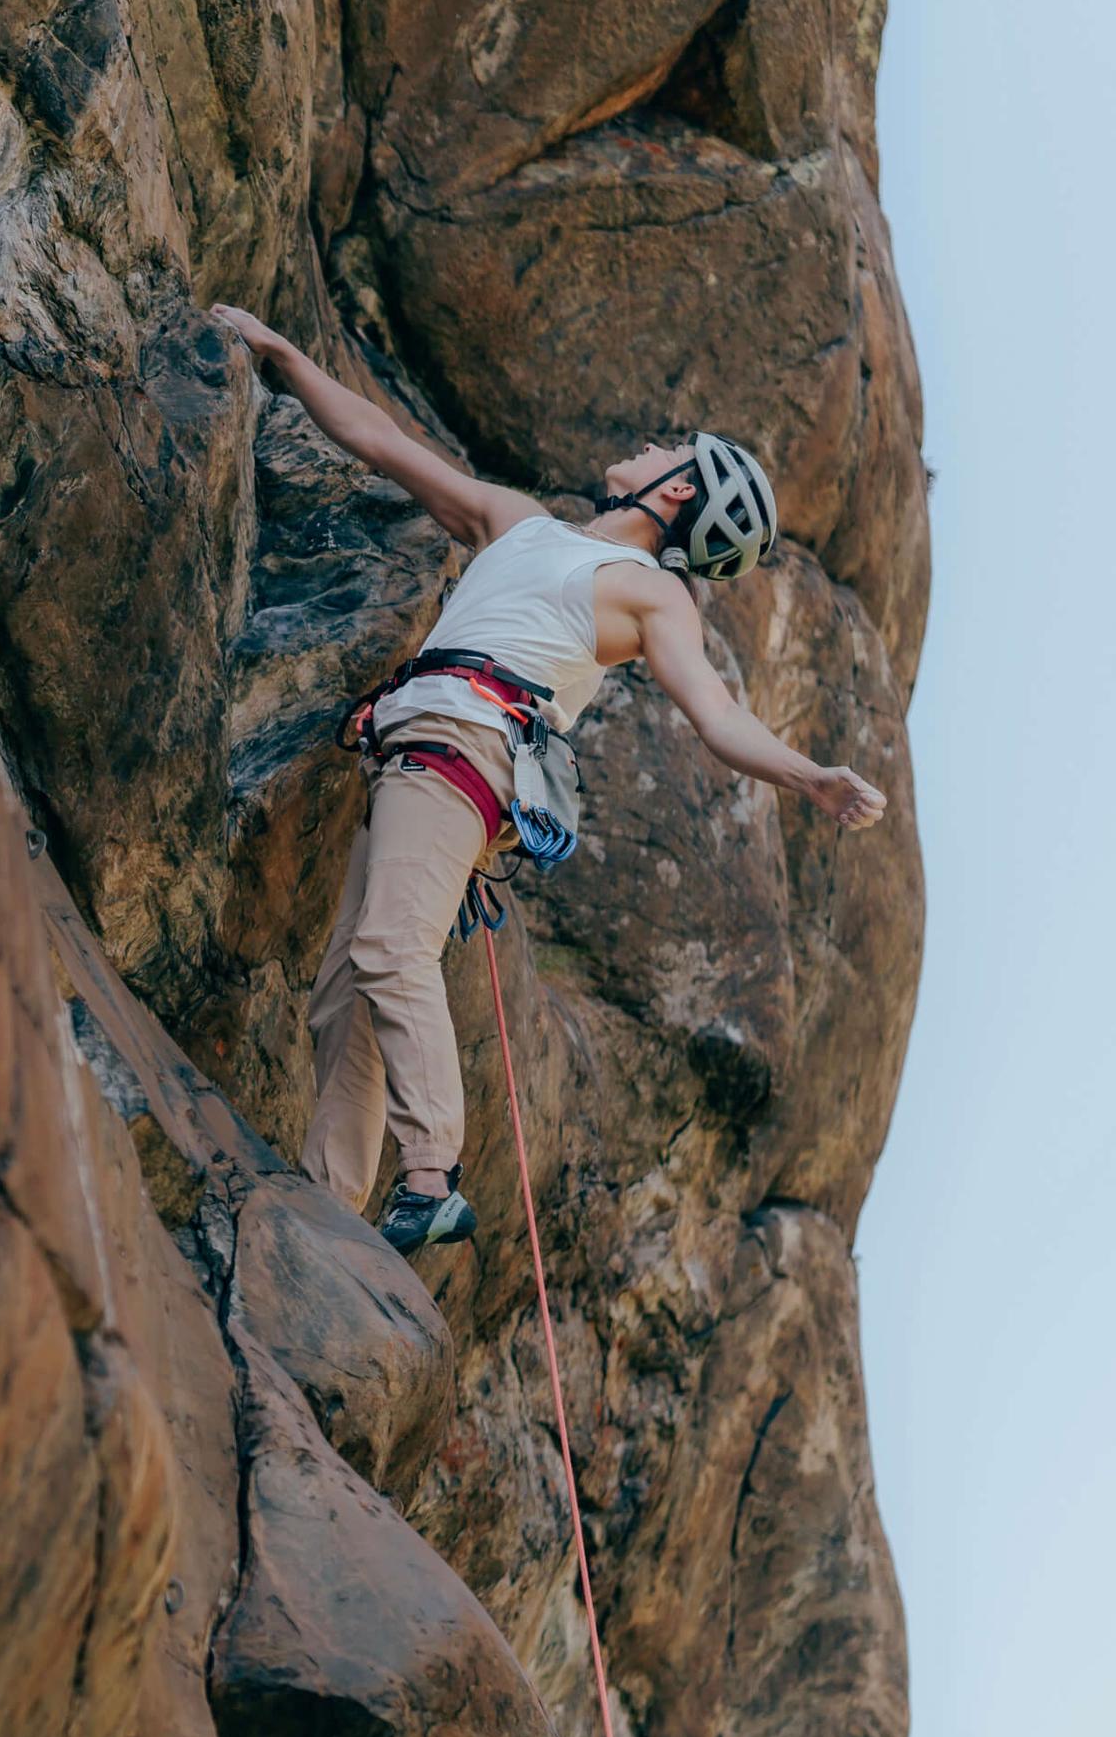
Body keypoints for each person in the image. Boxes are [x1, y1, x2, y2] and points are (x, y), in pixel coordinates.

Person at [208, 304, 889, 1255]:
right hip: (418, 749)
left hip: (464, 751)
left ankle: (432, 1176)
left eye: (669, 451)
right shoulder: (520, 524)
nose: (648, 445)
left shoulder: (650, 593)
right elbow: (384, 441)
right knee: (350, 992)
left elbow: (717, 714)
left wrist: (809, 774)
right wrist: (282, 358)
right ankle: (330, 1203)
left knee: (388, 949)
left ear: (680, 495)